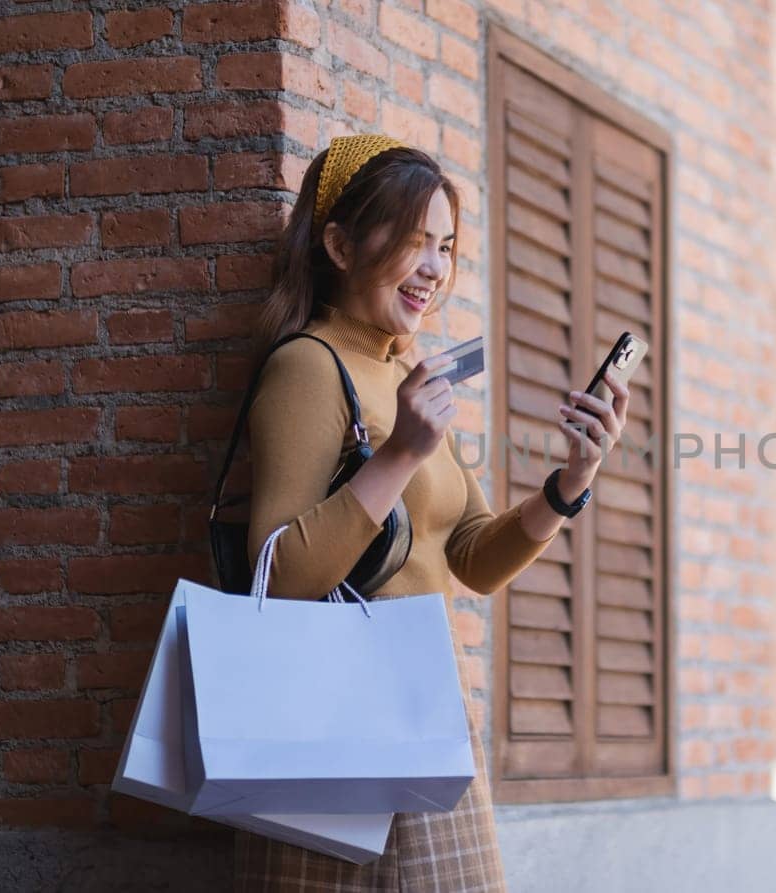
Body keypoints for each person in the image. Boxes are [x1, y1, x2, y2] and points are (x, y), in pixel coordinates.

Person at [233, 133, 628, 890]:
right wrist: (400, 454)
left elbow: (472, 555)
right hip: (334, 726)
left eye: (444, 246)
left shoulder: (405, 371)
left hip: (417, 711)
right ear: (340, 245)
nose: (434, 269)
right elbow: (274, 574)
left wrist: (571, 481)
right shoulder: (308, 366)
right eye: (413, 242)